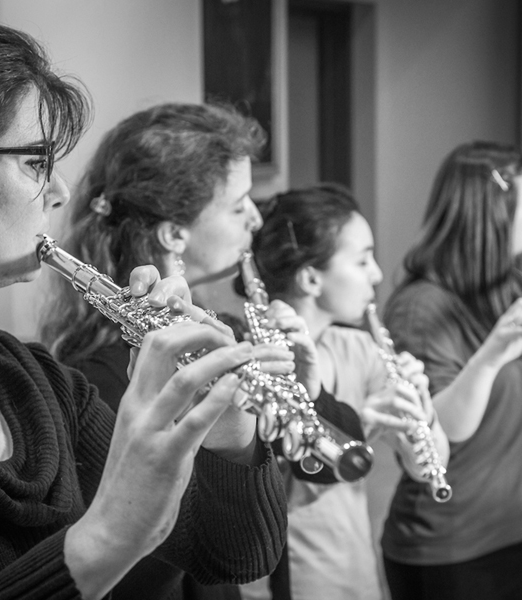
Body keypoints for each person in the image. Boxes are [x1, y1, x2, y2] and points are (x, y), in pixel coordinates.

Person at [0, 13, 289, 599]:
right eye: (35, 163)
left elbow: (234, 554)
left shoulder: (39, 383)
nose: (63, 192)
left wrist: (226, 424)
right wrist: (104, 539)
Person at [39, 104, 367, 599]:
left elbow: (323, 459)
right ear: (174, 234)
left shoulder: (227, 330)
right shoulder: (95, 381)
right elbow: (183, 550)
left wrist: (307, 392)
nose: (257, 217)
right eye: (238, 206)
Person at [239, 184, 449, 600]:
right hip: (280, 582)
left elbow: (429, 469)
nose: (376, 273)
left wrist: (421, 411)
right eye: (362, 259)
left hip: (354, 574)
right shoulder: (253, 356)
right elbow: (263, 482)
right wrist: (361, 426)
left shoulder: (358, 348)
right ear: (312, 277)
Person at [381, 141, 522, 600]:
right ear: (492, 213)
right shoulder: (422, 308)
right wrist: (493, 352)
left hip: (508, 527)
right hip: (451, 547)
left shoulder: (507, 283)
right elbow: (442, 431)